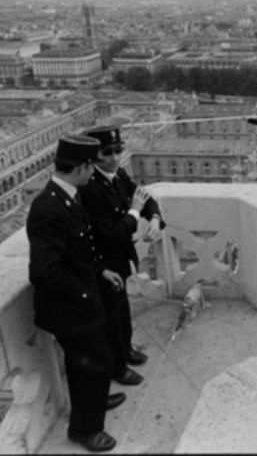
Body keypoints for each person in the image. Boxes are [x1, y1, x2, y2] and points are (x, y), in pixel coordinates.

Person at [27, 135, 126, 452]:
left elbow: (79, 250)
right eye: (92, 166)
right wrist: (84, 293)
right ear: (82, 167)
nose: (94, 171)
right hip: (68, 308)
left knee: (84, 363)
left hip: (78, 301)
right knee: (98, 361)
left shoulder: (67, 196)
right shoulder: (49, 207)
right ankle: (85, 430)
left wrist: (100, 271)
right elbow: (43, 271)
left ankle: (94, 400)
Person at [80, 126, 164, 389]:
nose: (115, 157)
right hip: (103, 263)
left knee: (122, 310)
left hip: (119, 258)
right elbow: (111, 233)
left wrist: (155, 218)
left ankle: (126, 351)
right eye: (107, 153)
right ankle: (117, 367)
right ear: (94, 155)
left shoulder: (118, 174)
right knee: (111, 318)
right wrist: (135, 212)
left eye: (118, 150)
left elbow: (144, 197)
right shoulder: (90, 188)